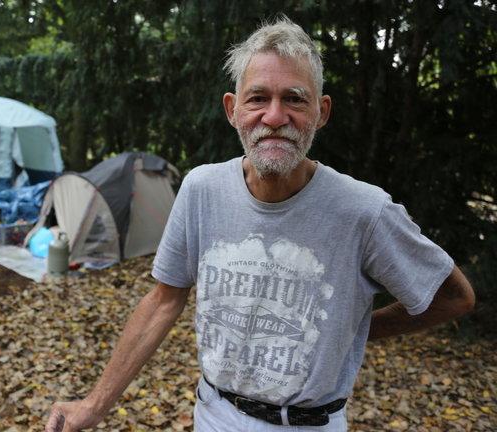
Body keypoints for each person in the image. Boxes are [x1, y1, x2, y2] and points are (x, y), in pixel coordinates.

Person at [45, 16, 475, 432]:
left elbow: (453, 298)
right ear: (233, 110)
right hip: (213, 416)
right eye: (257, 98)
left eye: (294, 98)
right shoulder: (201, 189)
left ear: (321, 112)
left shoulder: (363, 211)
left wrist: (358, 331)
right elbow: (163, 300)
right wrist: (95, 404)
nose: (274, 117)